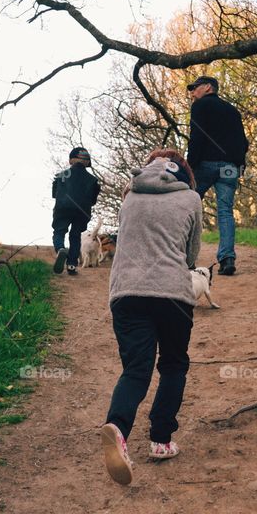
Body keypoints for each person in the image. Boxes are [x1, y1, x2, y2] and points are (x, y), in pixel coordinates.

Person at [101, 149, 203, 486]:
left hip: (126, 294)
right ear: (183, 172)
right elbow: (190, 255)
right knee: (173, 364)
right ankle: (161, 440)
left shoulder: (129, 196)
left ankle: (117, 427)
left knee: (135, 369)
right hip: (172, 295)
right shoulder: (191, 198)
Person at [185, 75, 248, 276]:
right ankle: (227, 259)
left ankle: (185, 258)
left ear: (208, 87)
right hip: (229, 167)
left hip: (205, 165)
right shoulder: (232, 110)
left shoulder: (200, 106)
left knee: (188, 209)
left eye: (195, 87)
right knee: (226, 212)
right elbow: (243, 142)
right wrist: (239, 165)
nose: (192, 92)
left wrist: (190, 165)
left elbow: (197, 136)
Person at [51, 147, 100, 275]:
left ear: (71, 160)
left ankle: (60, 249)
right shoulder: (93, 180)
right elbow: (93, 200)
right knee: (75, 236)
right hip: (82, 211)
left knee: (59, 231)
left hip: (63, 208)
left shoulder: (61, 176)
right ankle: (72, 265)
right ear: (87, 162)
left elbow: (54, 194)